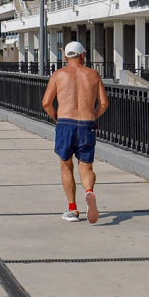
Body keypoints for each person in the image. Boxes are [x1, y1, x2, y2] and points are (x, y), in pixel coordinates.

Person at [41, 41, 109, 223]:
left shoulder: (58, 75)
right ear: (82, 55)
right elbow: (103, 103)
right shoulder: (93, 74)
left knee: (66, 165)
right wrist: (93, 117)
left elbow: (46, 103)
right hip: (86, 123)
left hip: (65, 123)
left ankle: (72, 209)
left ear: (65, 57)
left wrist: (57, 118)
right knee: (86, 166)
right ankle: (89, 192)